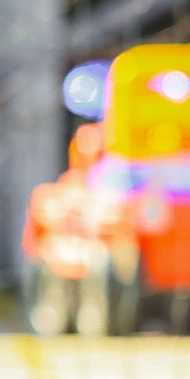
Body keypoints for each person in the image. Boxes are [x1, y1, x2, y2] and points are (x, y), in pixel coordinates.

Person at [23, 123, 130, 336]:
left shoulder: (111, 195)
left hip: (95, 258)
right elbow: (36, 234)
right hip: (60, 255)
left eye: (93, 151)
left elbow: (122, 241)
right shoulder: (55, 192)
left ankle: (93, 317)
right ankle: (52, 315)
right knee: (52, 276)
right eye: (82, 150)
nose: (86, 157)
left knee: (98, 268)